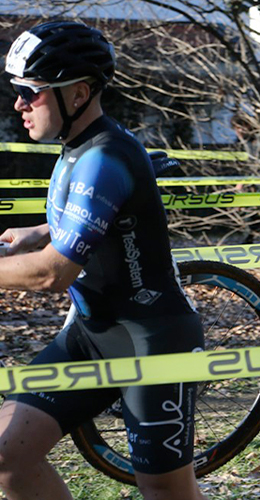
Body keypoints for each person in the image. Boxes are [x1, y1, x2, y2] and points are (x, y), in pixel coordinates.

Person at [0, 22, 206, 499]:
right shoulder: (82, 146)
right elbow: (103, 211)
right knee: (9, 459)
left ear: (77, 94)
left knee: (164, 490)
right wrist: (40, 229)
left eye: (30, 93)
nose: (18, 105)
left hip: (152, 341)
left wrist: (42, 247)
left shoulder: (104, 155)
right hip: (91, 336)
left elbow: (54, 272)